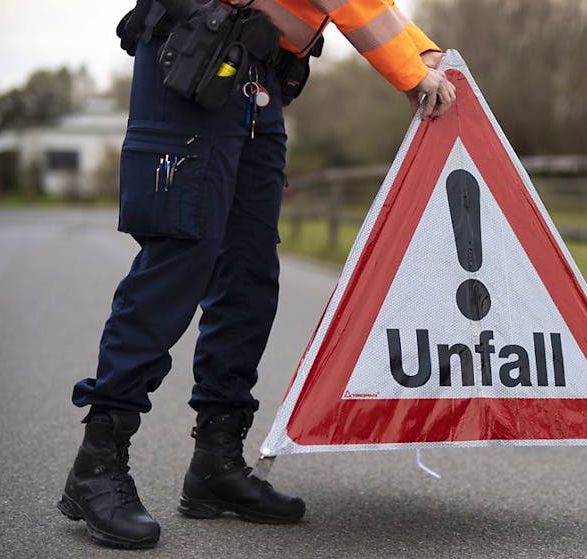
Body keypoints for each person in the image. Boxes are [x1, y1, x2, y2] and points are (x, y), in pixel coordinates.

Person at [58, 0, 455, 549]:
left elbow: (370, 5)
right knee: (181, 258)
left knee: (249, 272)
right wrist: (413, 73)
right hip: (198, 52)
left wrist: (423, 48)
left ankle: (216, 464)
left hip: (256, 73)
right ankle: (97, 463)